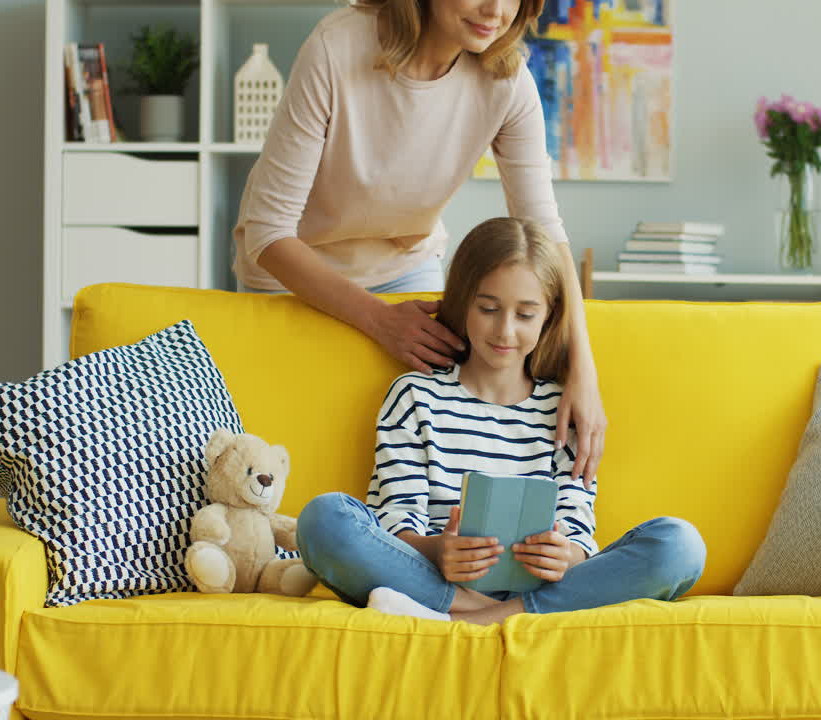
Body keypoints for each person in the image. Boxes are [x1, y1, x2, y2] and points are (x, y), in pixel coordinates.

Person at [231, 0, 607, 483]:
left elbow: (546, 235)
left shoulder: (507, 79)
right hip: (291, 272)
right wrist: (378, 319)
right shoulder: (337, 46)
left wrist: (585, 374)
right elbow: (268, 231)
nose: (496, 10)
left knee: (428, 430)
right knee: (288, 447)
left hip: (405, 266)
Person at [296, 218, 706, 625]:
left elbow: (578, 521)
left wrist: (567, 554)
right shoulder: (415, 395)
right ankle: (479, 609)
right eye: (488, 309)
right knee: (325, 519)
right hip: (433, 575)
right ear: (462, 302)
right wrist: (440, 551)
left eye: (526, 315)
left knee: (680, 545)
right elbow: (395, 518)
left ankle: (475, 617)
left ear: (549, 317)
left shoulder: (566, 407)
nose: (505, 330)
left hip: (541, 587)